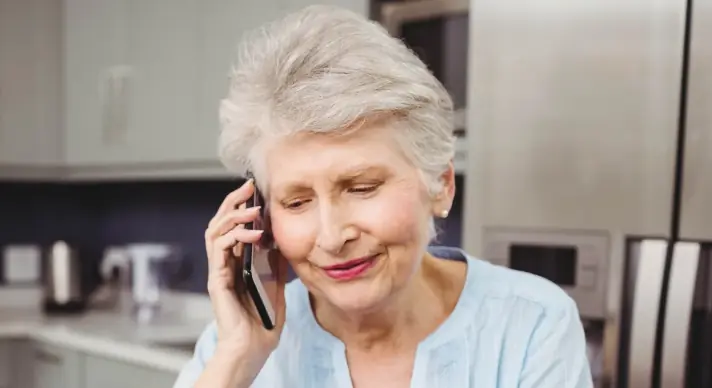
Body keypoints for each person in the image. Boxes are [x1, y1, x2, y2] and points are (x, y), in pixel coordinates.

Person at [174, 5, 593, 388]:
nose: (333, 236)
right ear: (260, 218)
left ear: (441, 184)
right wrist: (237, 360)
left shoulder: (533, 323)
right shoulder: (240, 339)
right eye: (297, 202)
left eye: (362, 188)